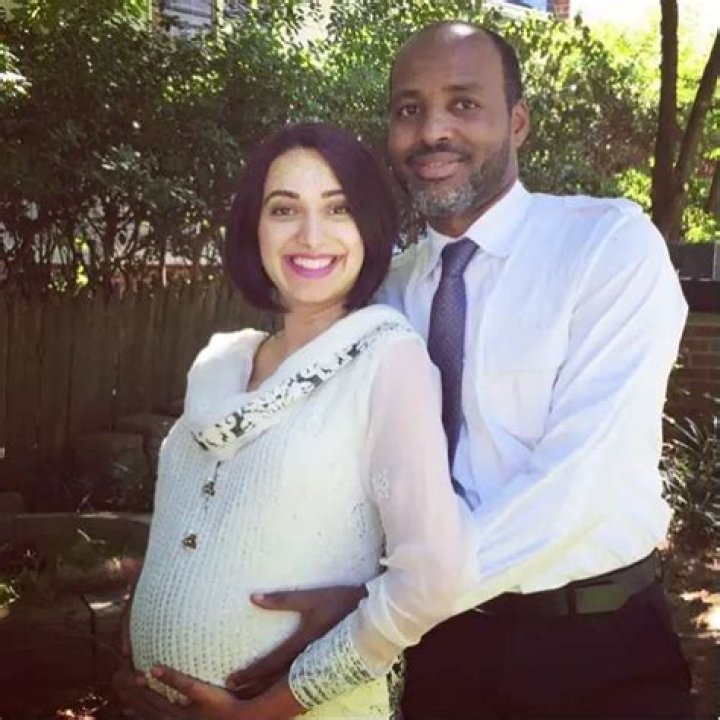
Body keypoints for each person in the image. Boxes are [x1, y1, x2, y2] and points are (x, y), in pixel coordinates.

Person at [191, 20, 692, 720]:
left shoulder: (604, 247)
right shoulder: (381, 296)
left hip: (597, 648)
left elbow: (579, 485)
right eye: (409, 109)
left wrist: (388, 606)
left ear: (518, 122)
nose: (432, 131)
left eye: (464, 103)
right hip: (437, 657)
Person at [113, 122, 475, 720]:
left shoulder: (387, 359)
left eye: (338, 208)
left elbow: (430, 579)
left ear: (369, 226)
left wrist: (263, 710)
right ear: (253, 227)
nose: (311, 235)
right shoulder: (223, 364)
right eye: (284, 209)